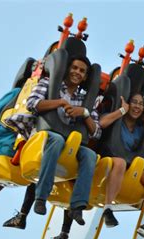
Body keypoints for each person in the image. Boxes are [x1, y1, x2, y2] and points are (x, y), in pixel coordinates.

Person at [51, 92, 144, 239]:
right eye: (134, 102)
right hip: (108, 162)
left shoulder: (140, 128)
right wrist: (121, 111)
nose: (137, 106)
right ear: (127, 103)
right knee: (120, 163)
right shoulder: (117, 118)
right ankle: (108, 209)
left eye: (141, 104)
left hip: (132, 170)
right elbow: (101, 123)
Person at [26, 55, 100, 226]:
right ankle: (40, 197)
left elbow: (96, 133)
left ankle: (77, 206)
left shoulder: (85, 100)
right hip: (44, 135)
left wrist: (84, 113)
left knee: (89, 155)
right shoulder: (49, 84)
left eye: (82, 71)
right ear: (67, 69)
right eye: (74, 68)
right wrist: (59, 103)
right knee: (57, 140)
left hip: (70, 143)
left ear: (86, 77)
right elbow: (32, 103)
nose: (77, 72)